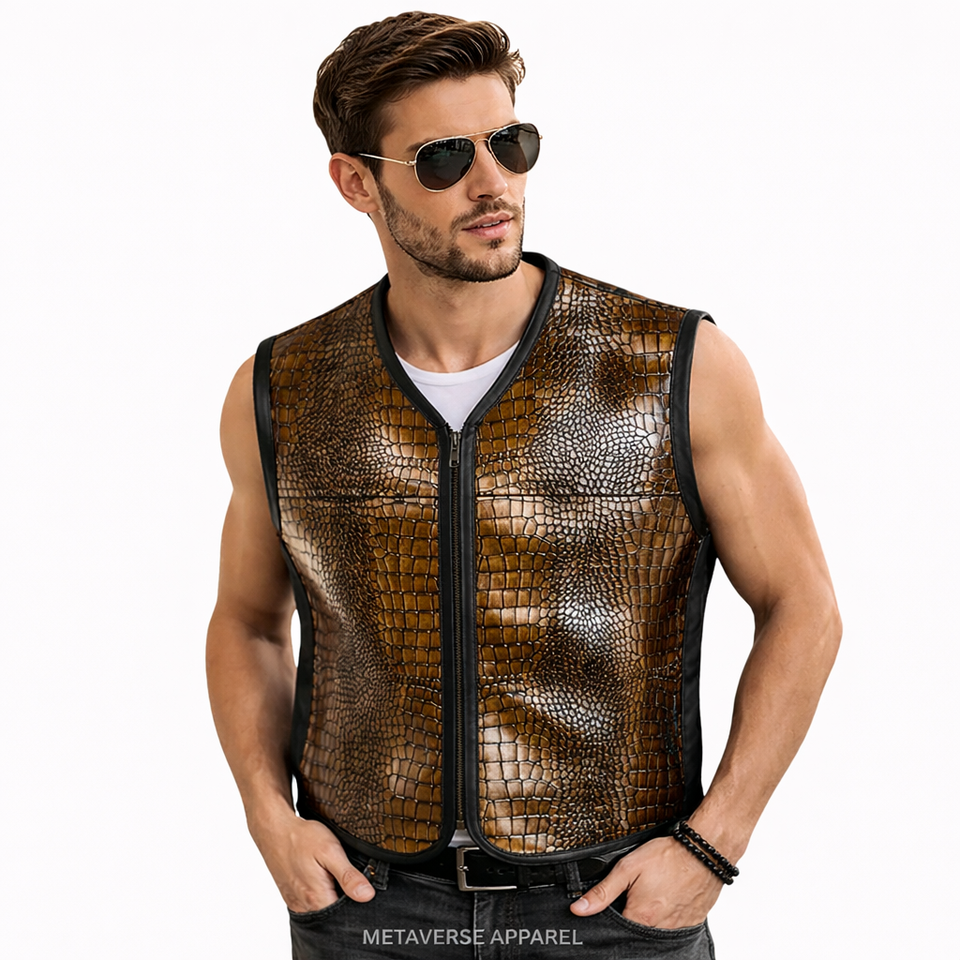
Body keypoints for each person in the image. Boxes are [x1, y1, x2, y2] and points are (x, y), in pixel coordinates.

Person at [206, 12, 841, 959]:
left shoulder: (676, 364)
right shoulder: (284, 386)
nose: (492, 183)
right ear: (355, 182)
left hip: (613, 907)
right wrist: (268, 817)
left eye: (510, 143)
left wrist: (716, 843)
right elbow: (249, 623)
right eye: (442, 158)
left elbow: (803, 605)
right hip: (365, 904)